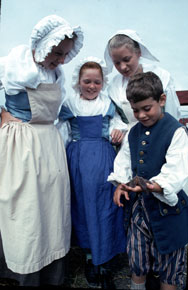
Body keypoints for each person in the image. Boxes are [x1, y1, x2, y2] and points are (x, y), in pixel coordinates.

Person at [0, 14, 83, 286]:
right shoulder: (14, 65)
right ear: (44, 44)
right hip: (20, 144)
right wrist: (2, 114)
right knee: (26, 210)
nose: (60, 60)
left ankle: (52, 275)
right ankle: (23, 274)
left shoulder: (56, 73)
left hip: (49, 144)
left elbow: (63, 111)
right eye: (57, 53)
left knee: (51, 209)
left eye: (65, 55)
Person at [107, 71, 188, 290]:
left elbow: (177, 167)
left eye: (146, 108)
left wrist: (157, 185)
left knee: (169, 263)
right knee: (137, 255)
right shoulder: (133, 132)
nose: (141, 115)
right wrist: (121, 185)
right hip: (140, 209)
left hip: (168, 210)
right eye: (135, 110)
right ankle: (138, 285)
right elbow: (124, 162)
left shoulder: (177, 132)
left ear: (161, 100)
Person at [56, 56, 127, 288]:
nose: (92, 86)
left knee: (105, 206)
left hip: (103, 159)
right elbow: (62, 131)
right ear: (78, 81)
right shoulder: (70, 104)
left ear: (102, 83)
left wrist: (118, 130)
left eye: (97, 82)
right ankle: (89, 256)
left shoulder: (106, 103)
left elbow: (118, 123)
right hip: (77, 160)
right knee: (83, 207)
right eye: (87, 81)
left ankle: (104, 260)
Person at [104, 29, 181, 131]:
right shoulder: (114, 86)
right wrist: (118, 130)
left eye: (127, 59)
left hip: (162, 132)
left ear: (138, 52)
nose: (123, 67)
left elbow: (172, 113)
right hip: (131, 135)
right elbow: (116, 118)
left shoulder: (162, 76)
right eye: (117, 63)